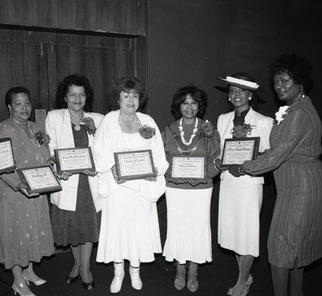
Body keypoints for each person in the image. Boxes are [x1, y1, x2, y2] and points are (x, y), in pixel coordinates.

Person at [236, 54, 322, 296]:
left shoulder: (299, 113)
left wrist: (245, 166)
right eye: (276, 81)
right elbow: (277, 149)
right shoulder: (292, 109)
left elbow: (279, 154)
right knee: (292, 247)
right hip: (295, 182)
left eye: (285, 80)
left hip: (302, 185)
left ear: (300, 83)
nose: (279, 86)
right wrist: (252, 155)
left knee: (281, 245)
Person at [93, 77, 168, 294]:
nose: (130, 100)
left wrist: (155, 170)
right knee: (118, 229)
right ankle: (119, 272)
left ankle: (135, 270)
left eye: (134, 96)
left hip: (141, 188)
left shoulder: (148, 121)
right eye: (126, 96)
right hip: (117, 187)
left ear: (140, 99)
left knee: (137, 229)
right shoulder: (108, 120)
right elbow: (99, 150)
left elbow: (158, 152)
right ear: (118, 98)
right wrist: (112, 169)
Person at [214, 73, 273, 296]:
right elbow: (220, 151)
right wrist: (218, 161)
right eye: (232, 91)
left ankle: (241, 281)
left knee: (247, 233)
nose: (236, 95)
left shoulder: (264, 122)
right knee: (234, 233)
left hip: (249, 184)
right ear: (228, 96)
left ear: (250, 95)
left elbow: (267, 155)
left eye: (241, 91)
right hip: (228, 183)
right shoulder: (222, 119)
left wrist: (247, 165)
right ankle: (245, 275)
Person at [45, 74, 104, 291]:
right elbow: (50, 149)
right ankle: (77, 263)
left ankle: (85, 267)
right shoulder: (54, 117)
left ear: (87, 97)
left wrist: (95, 167)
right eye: (73, 94)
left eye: (81, 94)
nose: (77, 99)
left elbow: (103, 150)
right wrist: (58, 167)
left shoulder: (98, 119)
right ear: (65, 97)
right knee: (71, 227)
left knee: (88, 226)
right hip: (68, 182)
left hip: (89, 182)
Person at [0, 87, 55, 296]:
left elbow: (46, 156)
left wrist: (54, 165)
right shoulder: (3, 128)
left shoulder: (36, 127)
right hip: (15, 194)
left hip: (36, 191)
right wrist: (17, 184)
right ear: (10, 107)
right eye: (18, 104)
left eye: (27, 103)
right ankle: (17, 279)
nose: (24, 108)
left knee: (32, 231)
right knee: (16, 234)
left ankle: (29, 271)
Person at [161, 85, 220, 293]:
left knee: (198, 226)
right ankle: (180, 267)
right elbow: (162, 161)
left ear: (199, 106)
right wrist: (170, 174)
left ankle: (193, 269)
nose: (189, 107)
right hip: (175, 189)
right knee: (178, 226)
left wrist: (208, 173)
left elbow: (216, 161)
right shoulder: (168, 130)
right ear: (179, 106)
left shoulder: (209, 129)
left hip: (201, 189)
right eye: (185, 103)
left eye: (193, 103)